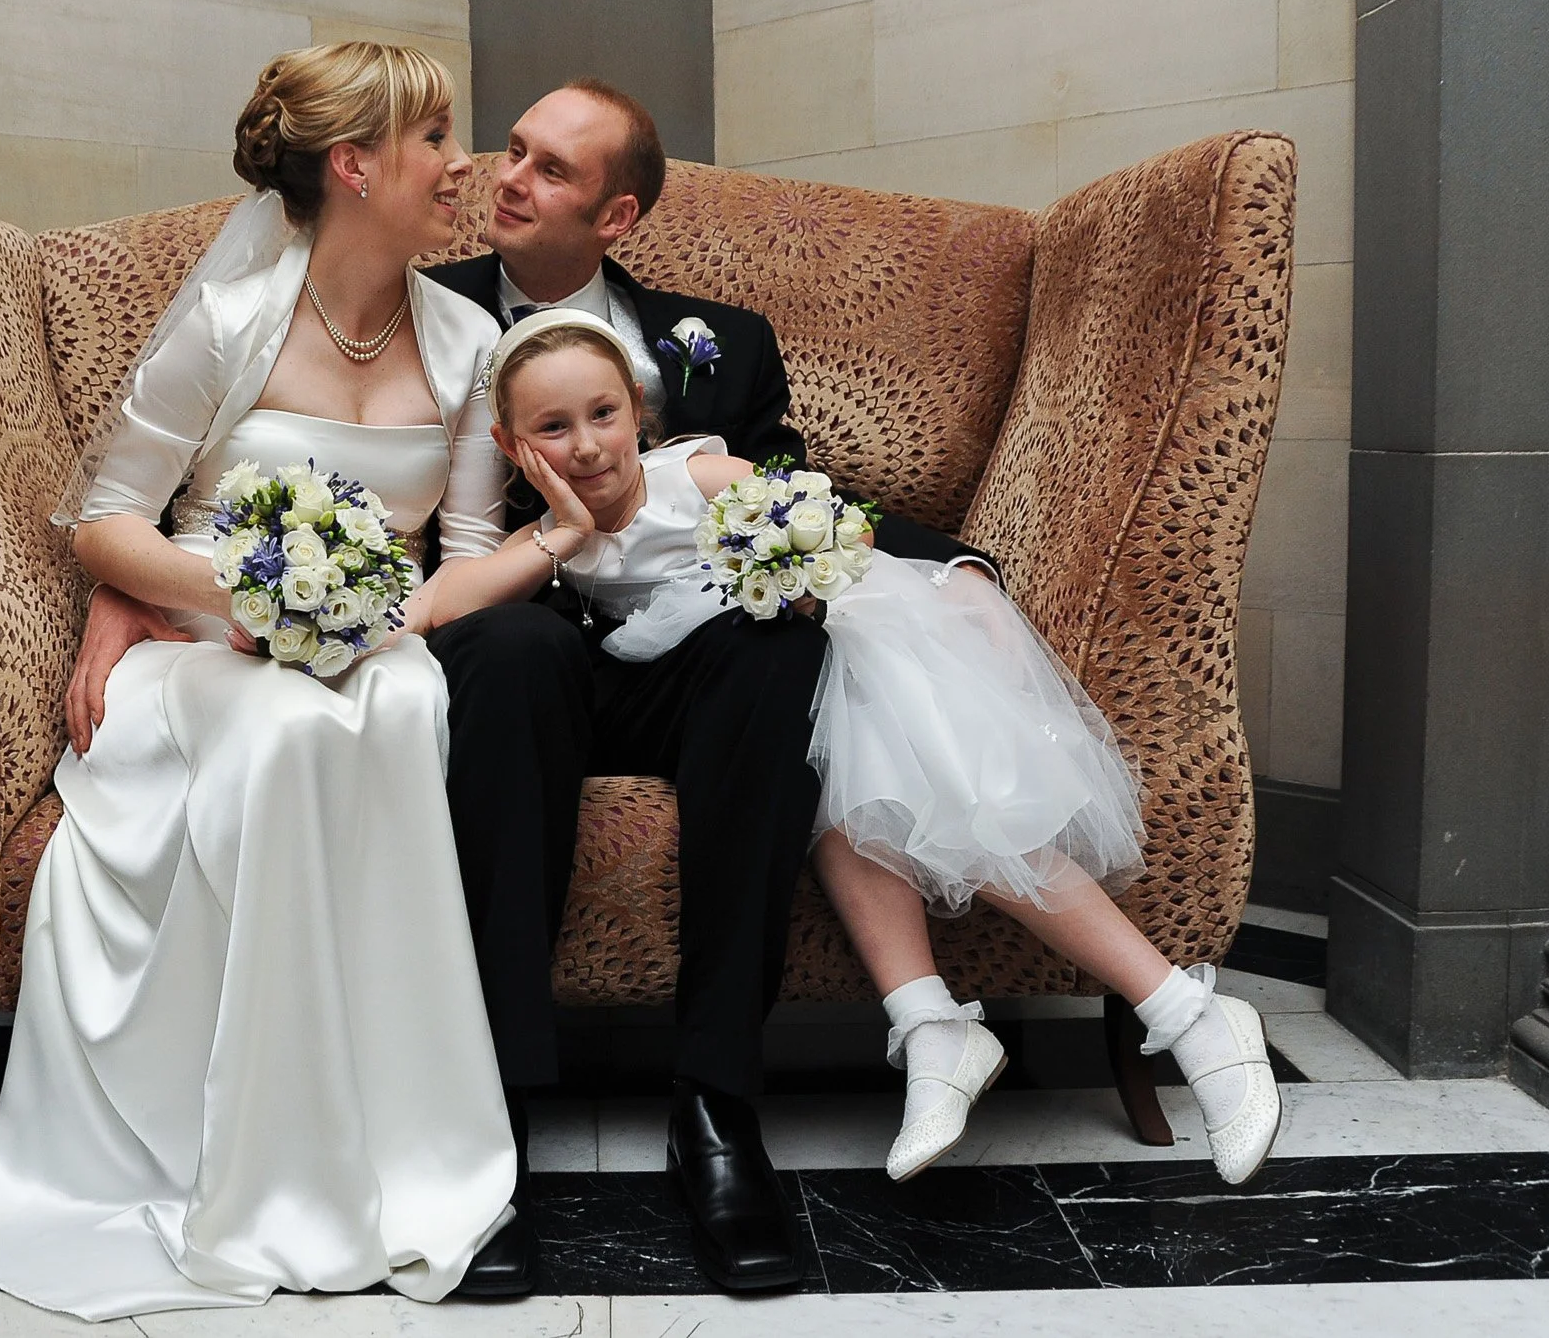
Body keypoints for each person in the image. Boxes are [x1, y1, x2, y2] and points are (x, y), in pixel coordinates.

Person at [62, 79, 1004, 1296]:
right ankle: (486, 1115)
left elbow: (793, 508)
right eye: (501, 151)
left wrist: (953, 564)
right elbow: (192, 482)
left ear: (614, 218)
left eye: (549, 170)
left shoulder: (722, 340)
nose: (501, 177)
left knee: (779, 646)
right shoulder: (425, 310)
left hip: (684, 657)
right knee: (510, 658)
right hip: (510, 646)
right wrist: (126, 588)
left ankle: (719, 1110)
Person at [418, 313, 1285, 1194]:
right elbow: (440, 607)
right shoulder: (538, 534)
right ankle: (933, 1027)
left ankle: (1188, 1012)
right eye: (554, 429)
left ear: (638, 409)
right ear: (511, 444)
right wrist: (560, 530)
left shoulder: (699, 474)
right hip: (750, 696)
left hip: (844, 643)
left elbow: (836, 525)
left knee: (959, 804)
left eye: (603, 414)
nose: (588, 448)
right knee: (854, 800)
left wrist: (955, 573)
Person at [0, 43, 516, 1318]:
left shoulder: (470, 339)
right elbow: (106, 518)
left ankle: (409, 1153)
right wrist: (249, 598)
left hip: (379, 647)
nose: (462, 164)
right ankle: (271, 1173)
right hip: (203, 655)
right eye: (437, 139)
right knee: (283, 738)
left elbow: (470, 550)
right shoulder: (227, 322)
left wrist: (370, 620)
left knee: (410, 703)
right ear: (354, 164)